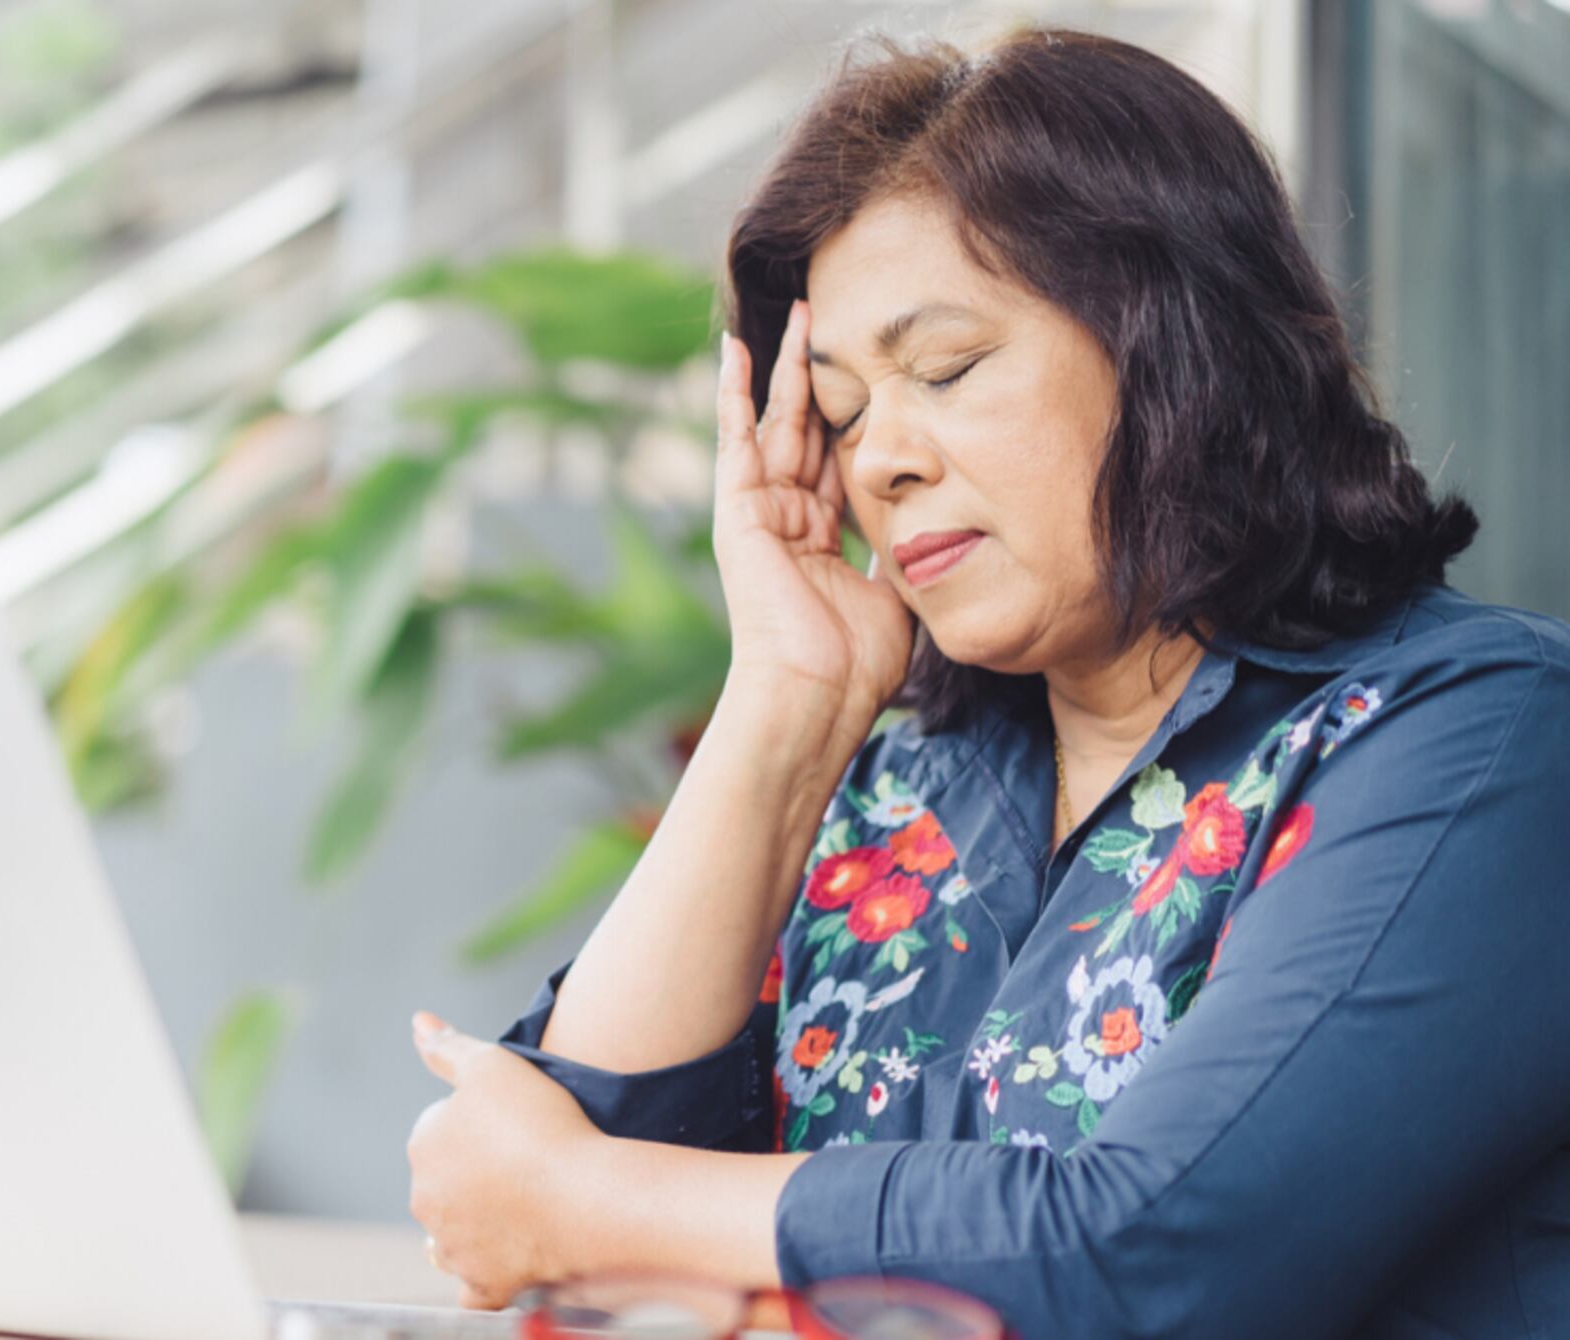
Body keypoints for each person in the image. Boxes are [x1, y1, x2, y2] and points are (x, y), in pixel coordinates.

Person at [402, 25, 1570, 1339]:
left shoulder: (1481, 743)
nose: (877, 462)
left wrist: (578, 1198)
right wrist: (784, 706)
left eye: (945, 368)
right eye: (838, 416)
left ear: (1179, 346)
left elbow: (1143, 1255)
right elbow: (563, 1220)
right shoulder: (890, 796)